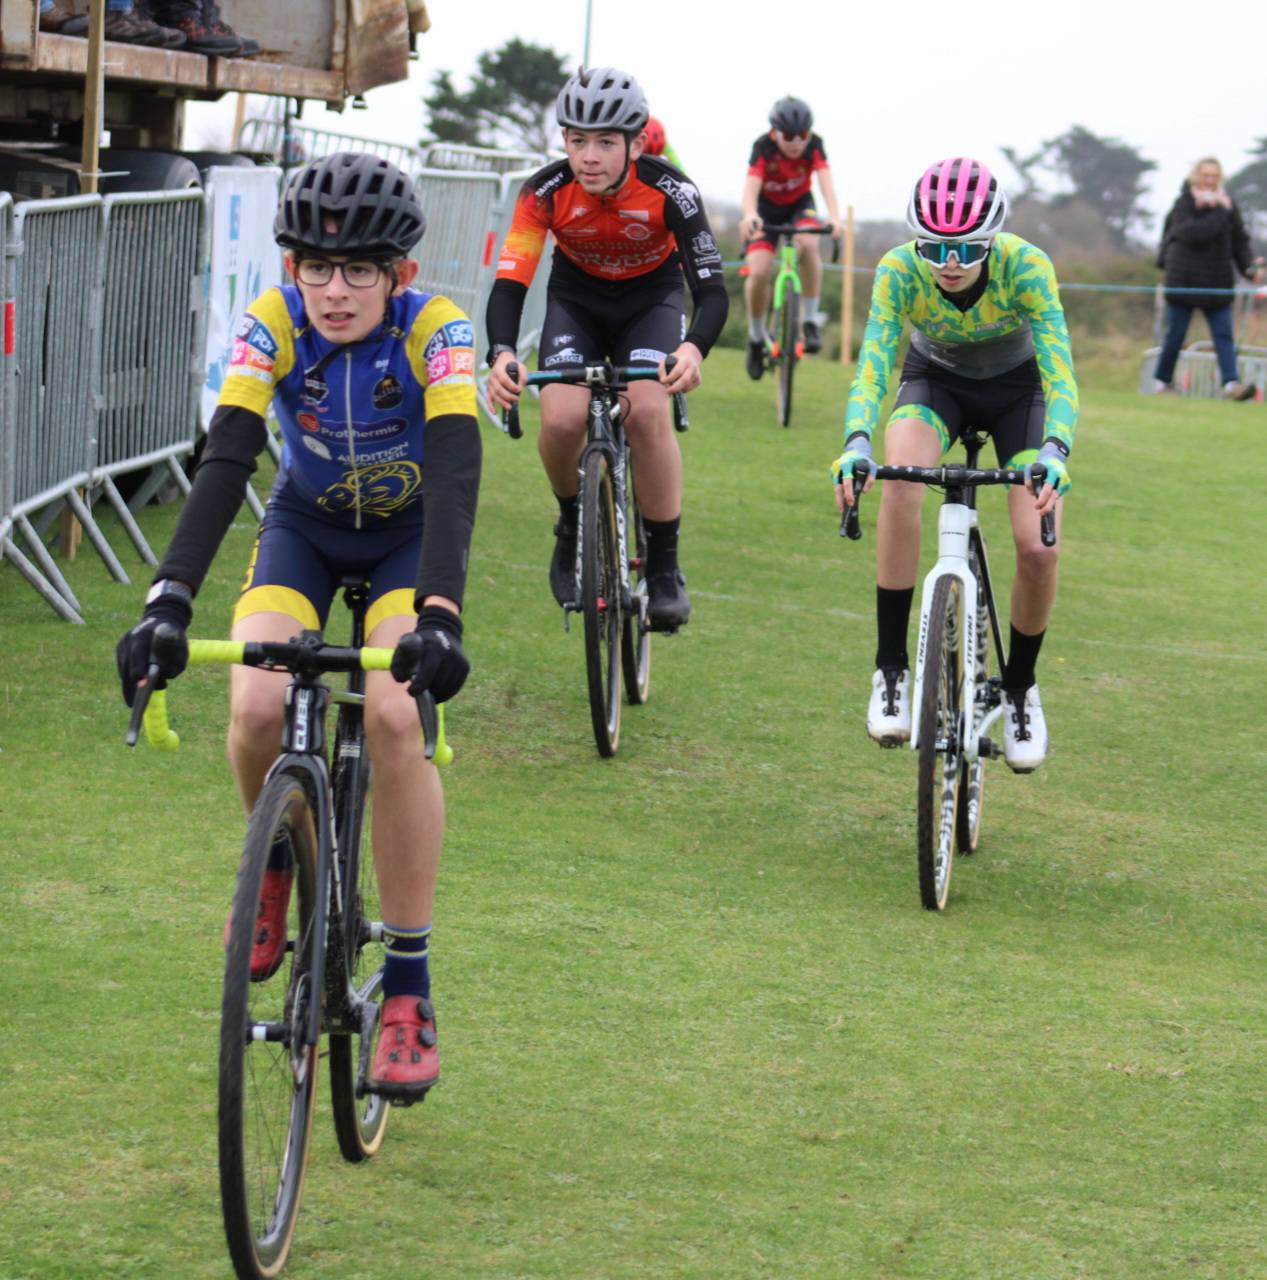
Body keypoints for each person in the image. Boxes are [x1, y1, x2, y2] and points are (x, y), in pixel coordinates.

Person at [116, 153, 481, 1100]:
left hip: (406, 543)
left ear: (400, 273)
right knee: (254, 706)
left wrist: (439, 615)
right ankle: (278, 854)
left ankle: (409, 985)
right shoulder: (272, 321)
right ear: (291, 266)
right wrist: (167, 598)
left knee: (394, 717)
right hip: (305, 528)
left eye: (359, 269)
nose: (334, 290)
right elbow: (228, 455)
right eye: (316, 267)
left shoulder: (437, 329)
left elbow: (453, 468)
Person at [831, 157, 1076, 773]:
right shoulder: (898, 270)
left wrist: (1056, 449)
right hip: (935, 382)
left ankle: (1019, 689)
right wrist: (856, 441)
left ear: (992, 239)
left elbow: (1059, 370)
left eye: (967, 248)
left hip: (1021, 393)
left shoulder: (1026, 265)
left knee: (1038, 546)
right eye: (934, 246)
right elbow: (874, 365)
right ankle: (891, 671)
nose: (949, 262)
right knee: (900, 481)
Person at [485, 66, 729, 630]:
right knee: (561, 420)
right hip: (577, 302)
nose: (588, 157)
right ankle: (571, 520)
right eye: (577, 141)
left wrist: (693, 350)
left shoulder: (673, 192)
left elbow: (713, 292)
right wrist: (502, 353)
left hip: (652, 301)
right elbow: (510, 285)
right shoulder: (543, 192)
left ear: (636, 144)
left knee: (647, 412)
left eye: (604, 143)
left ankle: (663, 566)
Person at [739, 96, 843, 378]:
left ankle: (809, 320)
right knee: (759, 271)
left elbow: (826, 183)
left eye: (803, 135)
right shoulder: (763, 147)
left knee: (808, 242)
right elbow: (751, 187)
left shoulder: (815, 145)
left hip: (800, 205)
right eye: (789, 136)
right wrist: (749, 214)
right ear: (774, 133)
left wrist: (834, 217)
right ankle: (756, 336)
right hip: (766, 210)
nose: (797, 143)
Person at [1154, 156, 1265, 400]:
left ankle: (1231, 384)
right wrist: (1221, 211)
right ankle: (1163, 382)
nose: (1210, 180)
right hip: (1183, 281)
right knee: (1175, 335)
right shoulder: (1184, 205)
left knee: (1224, 336)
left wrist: (1249, 268)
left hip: (1217, 282)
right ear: (1196, 176)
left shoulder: (1229, 206)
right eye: (1205, 175)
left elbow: (1239, 242)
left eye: (1215, 176)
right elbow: (1194, 234)